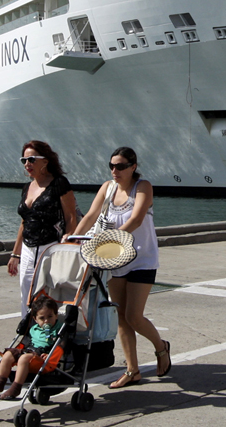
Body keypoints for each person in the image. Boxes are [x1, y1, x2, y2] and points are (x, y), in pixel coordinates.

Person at [70, 147, 169, 389]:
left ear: (133, 166)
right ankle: (132, 370)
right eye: (112, 166)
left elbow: (136, 219)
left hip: (142, 259)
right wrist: (75, 235)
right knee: (122, 318)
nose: (115, 171)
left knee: (134, 316)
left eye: (121, 166)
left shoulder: (143, 187)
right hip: (114, 261)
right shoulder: (108, 188)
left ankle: (160, 346)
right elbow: (92, 215)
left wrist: (107, 241)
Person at [10, 140, 77, 317]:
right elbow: (25, 221)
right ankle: (27, 333)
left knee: (45, 295)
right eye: (24, 160)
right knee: (26, 293)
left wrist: (69, 242)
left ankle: (46, 334)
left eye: (31, 159)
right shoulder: (27, 187)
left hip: (49, 247)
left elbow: (70, 216)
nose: (27, 164)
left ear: (45, 161)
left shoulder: (59, 183)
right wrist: (15, 254)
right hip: (27, 249)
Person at [0, 296, 65, 400]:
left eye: (50, 316)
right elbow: (27, 342)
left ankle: (16, 388)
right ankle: (0, 381)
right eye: (42, 318)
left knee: (24, 358)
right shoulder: (34, 328)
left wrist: (50, 355)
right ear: (35, 319)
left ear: (56, 316)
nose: (46, 321)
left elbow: (61, 346)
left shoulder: (59, 329)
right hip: (28, 349)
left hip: (41, 355)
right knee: (8, 354)